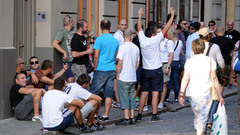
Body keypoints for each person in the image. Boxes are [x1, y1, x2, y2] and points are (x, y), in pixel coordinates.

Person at [136, 7, 175, 122]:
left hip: (146, 70)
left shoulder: (142, 39)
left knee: (144, 93)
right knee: (155, 93)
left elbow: (139, 27)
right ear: (153, 34)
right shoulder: (156, 40)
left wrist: (140, 16)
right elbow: (166, 28)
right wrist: (171, 16)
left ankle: (139, 115)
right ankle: (154, 115)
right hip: (156, 70)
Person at [179, 39, 225, 135]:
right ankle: (199, 132)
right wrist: (220, 95)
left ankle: (200, 131)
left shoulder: (189, 61)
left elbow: (185, 79)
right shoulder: (209, 60)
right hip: (205, 93)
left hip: (193, 93)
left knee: (199, 117)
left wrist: (181, 94)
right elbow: (214, 79)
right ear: (203, 48)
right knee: (202, 118)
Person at [90, 20, 119, 122]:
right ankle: (106, 114)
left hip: (101, 69)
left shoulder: (99, 39)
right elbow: (116, 56)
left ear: (100, 27)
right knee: (109, 93)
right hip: (111, 69)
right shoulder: (115, 40)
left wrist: (95, 67)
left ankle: (93, 114)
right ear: (110, 27)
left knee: (94, 92)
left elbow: (96, 55)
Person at [115, 29, 140, 125]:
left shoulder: (122, 47)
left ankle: (126, 118)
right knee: (132, 97)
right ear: (131, 36)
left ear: (123, 36)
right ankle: (132, 117)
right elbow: (138, 62)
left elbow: (120, 63)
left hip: (124, 76)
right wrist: (134, 70)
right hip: (132, 76)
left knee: (124, 97)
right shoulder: (136, 48)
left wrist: (117, 73)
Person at [51, 15, 75, 83]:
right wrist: (64, 52)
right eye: (73, 22)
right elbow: (54, 43)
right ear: (70, 23)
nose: (74, 24)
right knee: (70, 79)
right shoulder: (62, 32)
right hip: (68, 60)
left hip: (74, 58)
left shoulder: (73, 31)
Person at [166, 28, 183, 104]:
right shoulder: (180, 42)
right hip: (177, 62)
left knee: (168, 81)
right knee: (176, 81)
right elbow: (181, 53)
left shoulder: (169, 42)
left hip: (170, 61)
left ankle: (166, 97)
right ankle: (176, 97)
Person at [112, 19, 127, 108]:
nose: (124, 26)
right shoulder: (117, 35)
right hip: (118, 60)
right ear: (118, 25)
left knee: (120, 79)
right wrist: (115, 61)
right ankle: (117, 100)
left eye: (125, 25)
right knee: (116, 80)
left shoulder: (123, 34)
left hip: (123, 60)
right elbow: (114, 49)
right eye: (122, 25)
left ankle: (120, 99)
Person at [158, 30, 174, 107]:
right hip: (157, 64)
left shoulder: (168, 42)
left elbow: (171, 55)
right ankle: (156, 100)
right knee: (157, 83)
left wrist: (167, 66)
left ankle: (161, 101)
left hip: (164, 63)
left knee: (164, 84)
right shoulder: (156, 42)